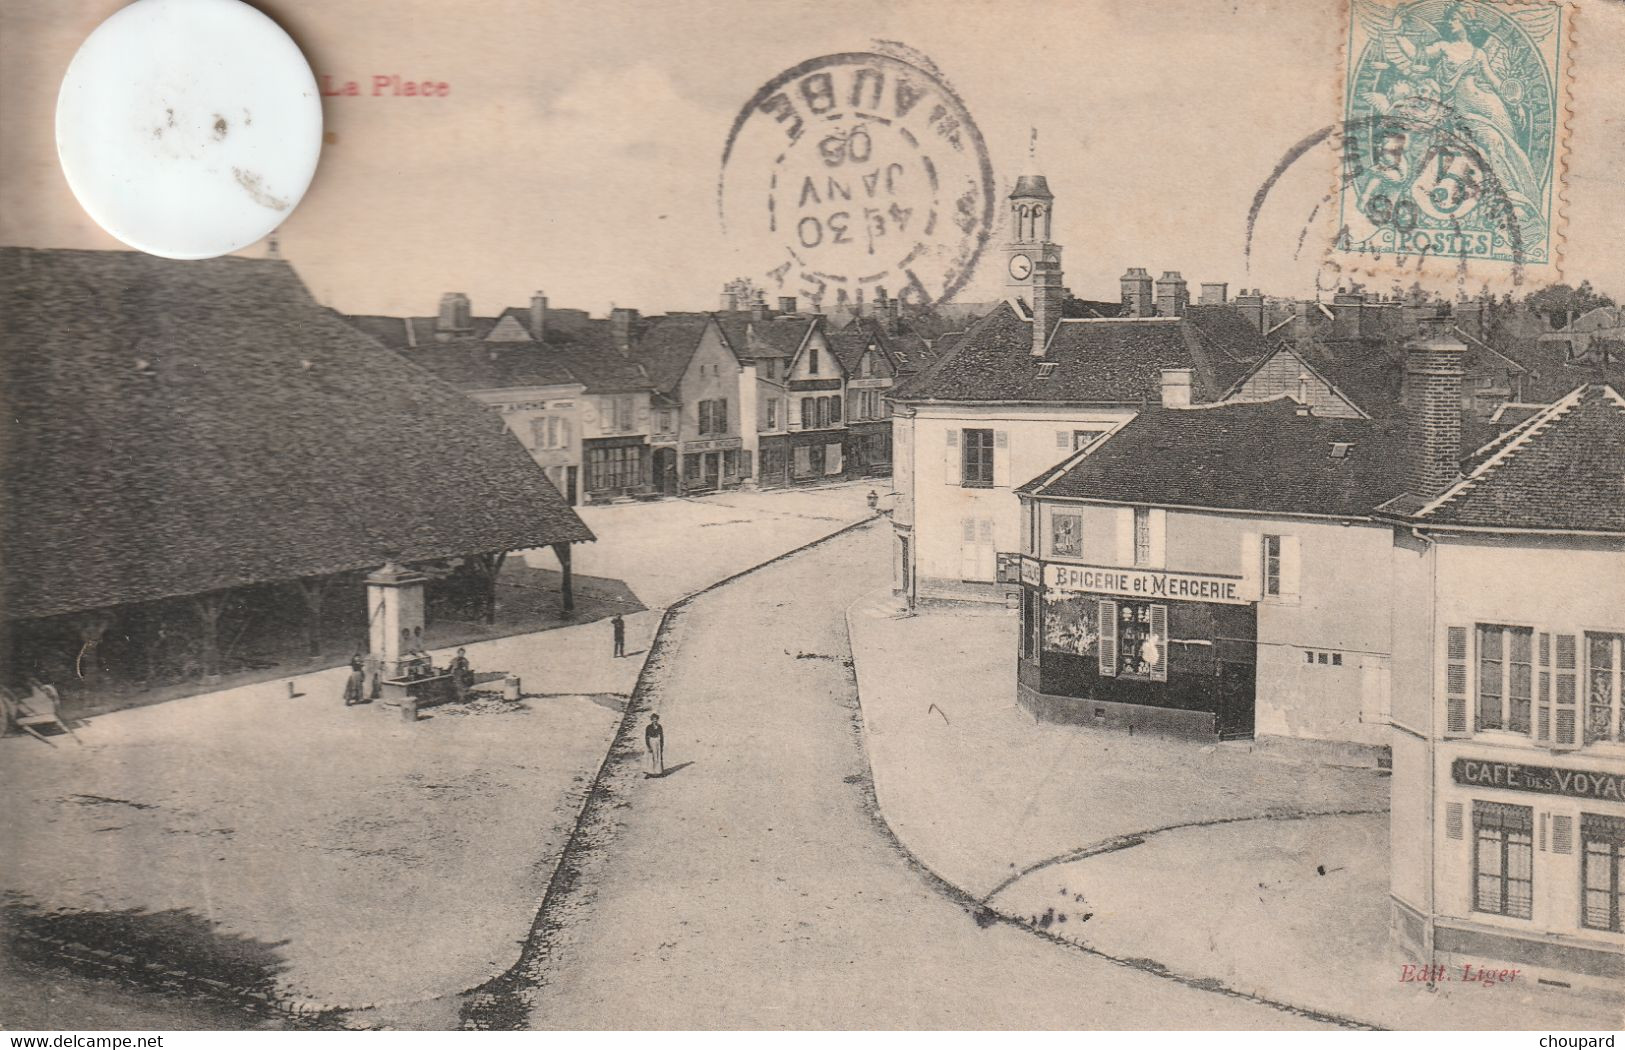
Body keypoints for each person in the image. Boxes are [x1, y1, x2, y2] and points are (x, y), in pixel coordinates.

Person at [644, 713, 664, 777]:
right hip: (651, 741)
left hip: (657, 742)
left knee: (657, 756)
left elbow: (661, 736)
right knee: (650, 756)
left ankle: (658, 772)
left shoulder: (660, 726)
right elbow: (646, 737)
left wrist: (661, 744)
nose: (655, 721)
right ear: (651, 720)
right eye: (653, 719)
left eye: (656, 719)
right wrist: (648, 746)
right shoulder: (648, 727)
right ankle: (650, 772)